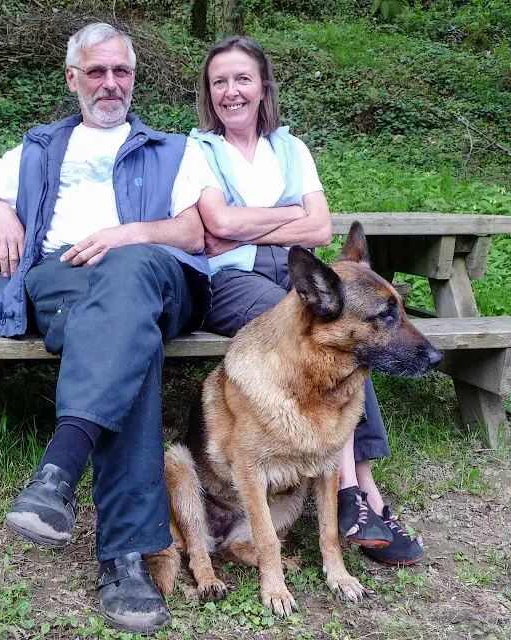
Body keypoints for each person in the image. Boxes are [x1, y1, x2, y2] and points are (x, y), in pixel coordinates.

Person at [0, 23, 212, 633]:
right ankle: (124, 558)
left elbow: (194, 232)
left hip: (155, 275)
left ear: (133, 78)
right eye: (96, 71)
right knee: (128, 342)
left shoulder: (174, 149)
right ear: (72, 78)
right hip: (63, 279)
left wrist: (127, 236)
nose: (110, 83)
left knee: (127, 281)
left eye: (121, 71)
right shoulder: (42, 147)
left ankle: (60, 470)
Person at [188, 35, 423, 565]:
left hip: (300, 273)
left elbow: (320, 229)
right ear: (209, 92)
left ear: (263, 86)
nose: (231, 91)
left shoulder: (291, 149)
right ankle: (352, 495)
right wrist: (287, 217)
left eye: (242, 79)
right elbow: (217, 224)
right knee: (322, 331)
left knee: (349, 331)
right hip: (232, 279)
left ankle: (360, 487)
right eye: (219, 81)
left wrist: (244, 226)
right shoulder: (198, 151)